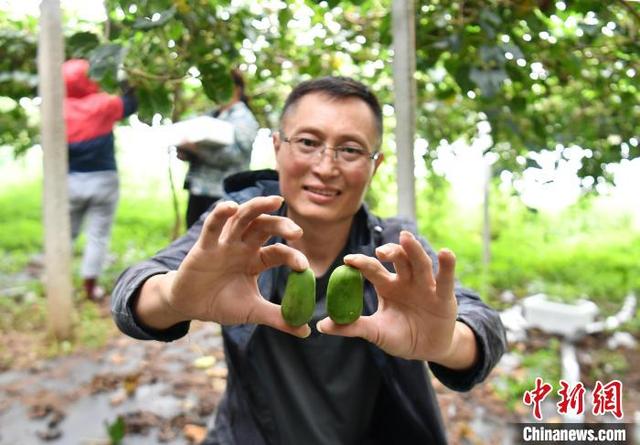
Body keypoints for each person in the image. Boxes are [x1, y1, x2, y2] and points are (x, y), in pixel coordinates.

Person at [112, 76, 506, 444]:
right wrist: (173, 298)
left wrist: (448, 343)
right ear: (278, 146)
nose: (325, 167)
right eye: (308, 142)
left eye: (350, 150)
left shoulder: (390, 247)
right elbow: (137, 289)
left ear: (375, 165)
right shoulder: (239, 230)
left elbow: (481, 322)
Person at [63, 58, 137, 300]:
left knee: (66, 233)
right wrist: (126, 76)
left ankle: (57, 281)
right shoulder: (104, 104)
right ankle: (89, 288)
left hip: (70, 181)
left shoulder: (59, 109)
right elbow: (130, 103)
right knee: (98, 235)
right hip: (103, 180)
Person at [178, 68, 259, 228]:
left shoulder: (243, 118)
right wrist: (185, 150)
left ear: (236, 88)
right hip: (199, 190)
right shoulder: (211, 115)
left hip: (223, 193)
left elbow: (236, 157)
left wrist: (197, 150)